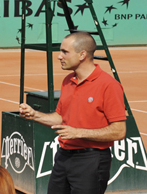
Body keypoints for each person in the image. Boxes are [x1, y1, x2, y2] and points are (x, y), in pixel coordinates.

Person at [19, 32, 127, 194]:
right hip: (63, 157)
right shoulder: (68, 81)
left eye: (65, 52)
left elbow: (119, 131)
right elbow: (62, 118)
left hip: (91, 161)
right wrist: (34, 115)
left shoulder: (108, 85)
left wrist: (78, 132)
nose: (59, 56)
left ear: (82, 54)